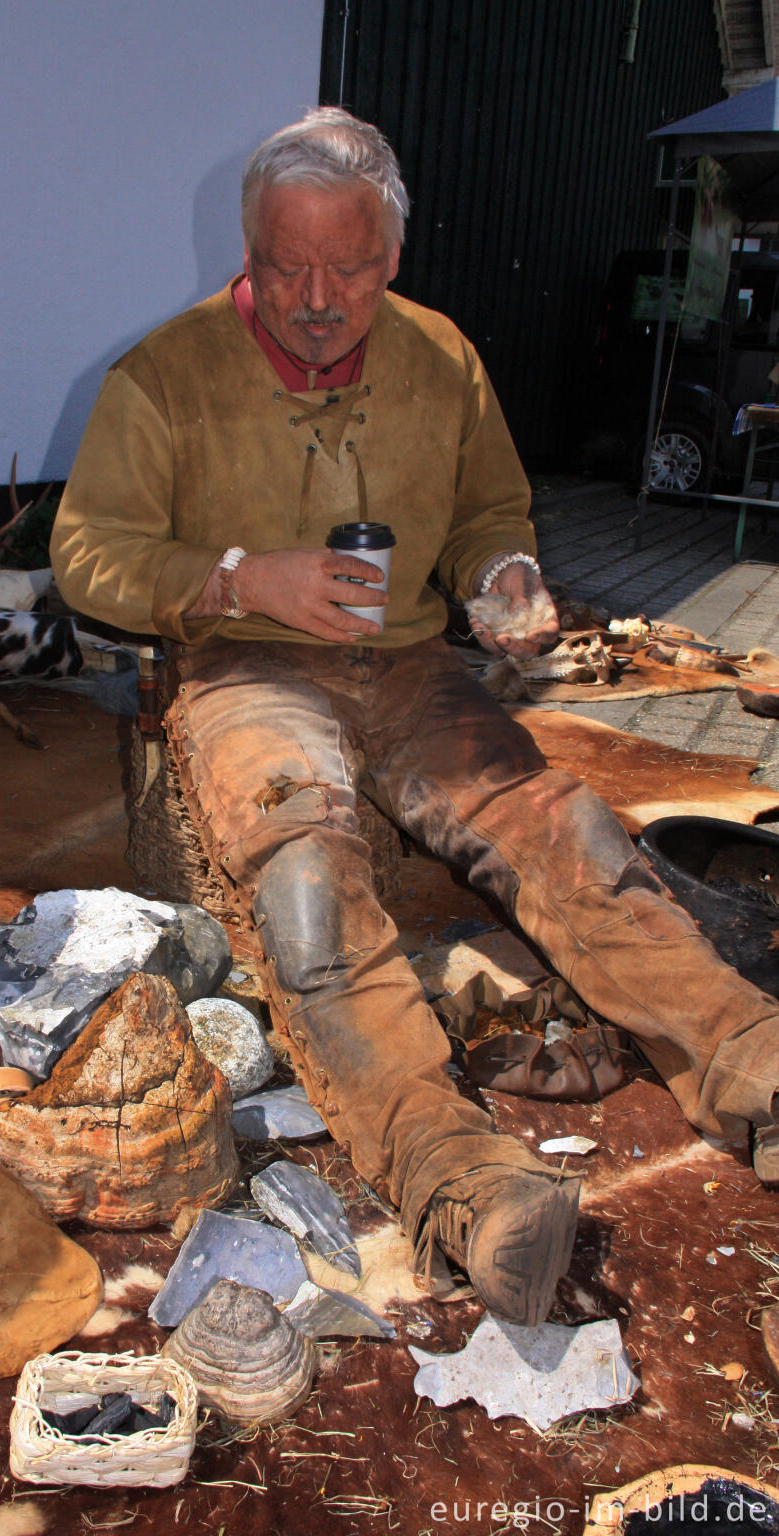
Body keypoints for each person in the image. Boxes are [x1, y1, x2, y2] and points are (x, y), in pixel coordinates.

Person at [51, 107, 779, 1326]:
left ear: (393, 255)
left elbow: (493, 507)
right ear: (249, 247)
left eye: (351, 266)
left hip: (413, 671)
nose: (319, 296)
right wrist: (236, 578)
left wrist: (503, 576)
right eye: (288, 265)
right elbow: (86, 554)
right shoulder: (164, 375)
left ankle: (751, 1065)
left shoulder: (442, 356)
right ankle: (457, 1181)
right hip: (246, 667)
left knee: (568, 830)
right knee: (307, 884)